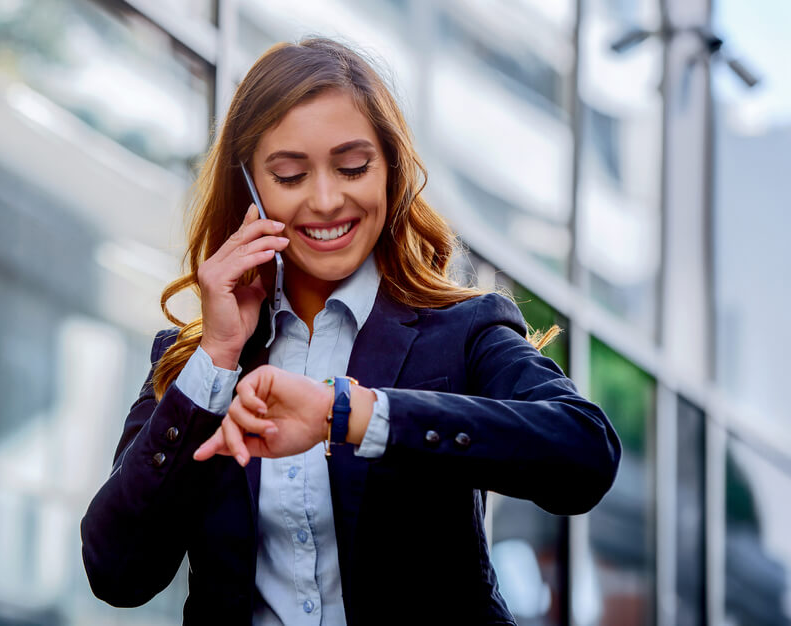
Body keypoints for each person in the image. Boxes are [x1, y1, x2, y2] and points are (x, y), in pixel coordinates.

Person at [81, 38, 621, 624]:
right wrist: (216, 356)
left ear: (390, 170)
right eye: (289, 175)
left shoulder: (464, 330)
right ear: (250, 187)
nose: (325, 199)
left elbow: (585, 454)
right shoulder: (193, 363)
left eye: (353, 167)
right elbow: (117, 573)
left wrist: (351, 415)